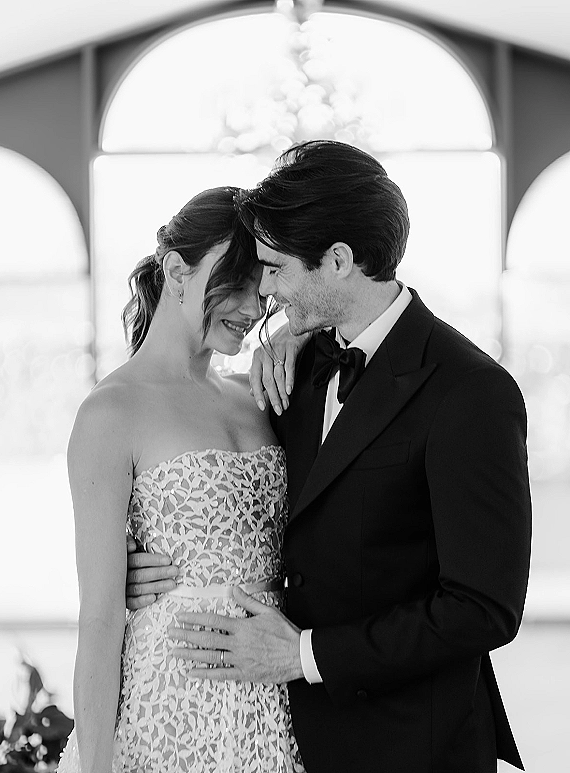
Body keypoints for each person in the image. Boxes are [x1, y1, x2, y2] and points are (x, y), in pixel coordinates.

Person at [127, 141, 532, 773]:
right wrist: (151, 564)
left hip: (415, 744)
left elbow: (483, 608)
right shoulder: (301, 365)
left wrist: (304, 656)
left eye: (275, 266)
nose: (263, 290)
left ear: (339, 260)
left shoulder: (470, 392)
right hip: (290, 739)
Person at [57, 186, 305, 773]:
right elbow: (98, 614)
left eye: (262, 283)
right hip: (170, 704)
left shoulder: (259, 394)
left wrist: (295, 335)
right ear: (176, 269)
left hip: (279, 699)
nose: (252, 307)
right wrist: (93, 763)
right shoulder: (111, 412)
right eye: (237, 282)